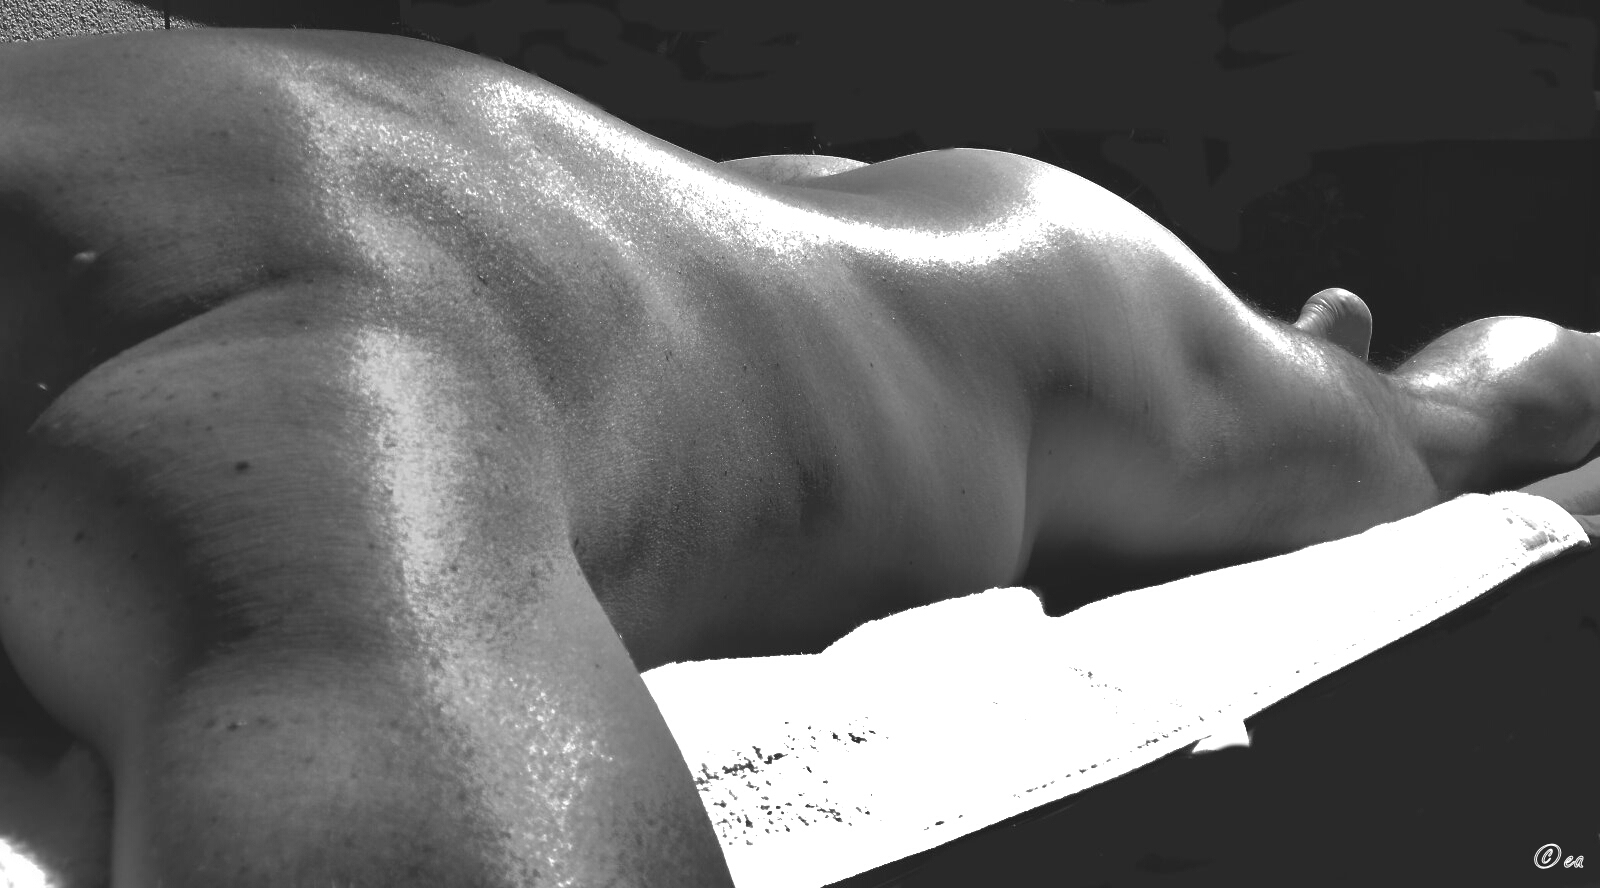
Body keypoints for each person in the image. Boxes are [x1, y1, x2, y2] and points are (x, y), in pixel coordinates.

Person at [0, 26, 1596, 888]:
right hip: (655, 236)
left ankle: (1481, 365)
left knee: (1438, 435)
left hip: (1011, 304)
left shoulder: (251, 395)